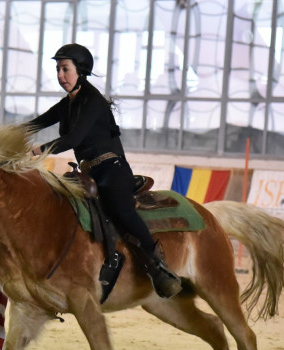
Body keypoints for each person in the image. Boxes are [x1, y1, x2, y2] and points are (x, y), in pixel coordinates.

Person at [25, 43, 181, 298]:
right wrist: (3, 136)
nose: (60, 75)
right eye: (58, 69)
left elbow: (73, 139)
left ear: (81, 71)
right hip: (87, 173)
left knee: (120, 209)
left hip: (112, 170)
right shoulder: (68, 103)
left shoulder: (92, 101)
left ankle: (158, 265)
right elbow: (38, 123)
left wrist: (38, 150)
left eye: (65, 69)